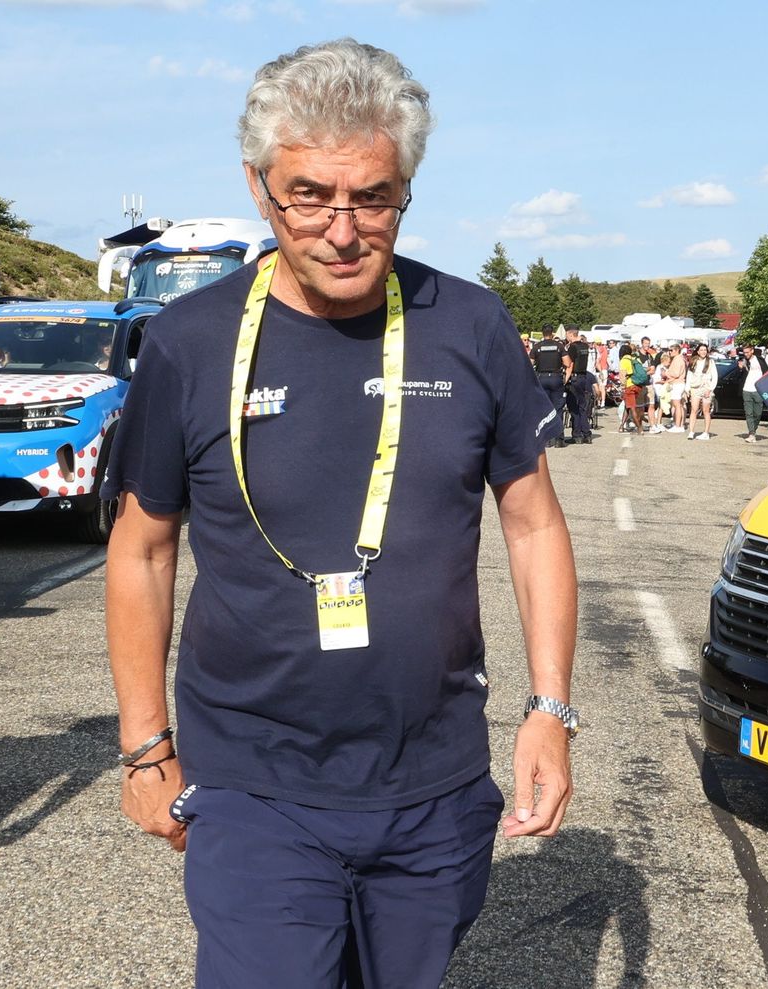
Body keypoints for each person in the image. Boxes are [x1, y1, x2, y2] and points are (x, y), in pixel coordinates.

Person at [101, 38, 577, 989]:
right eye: (309, 195)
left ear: (407, 188)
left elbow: (534, 523)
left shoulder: (470, 323)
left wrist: (550, 707)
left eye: (374, 196)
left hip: (433, 782)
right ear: (258, 185)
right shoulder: (190, 342)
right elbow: (144, 546)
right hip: (253, 783)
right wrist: (145, 744)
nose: (343, 228)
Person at [530, 323, 568, 448]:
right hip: (556, 378)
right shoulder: (559, 346)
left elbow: (530, 364)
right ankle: (558, 439)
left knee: (544, 409)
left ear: (542, 333)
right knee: (558, 408)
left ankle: (546, 439)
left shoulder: (537, 347)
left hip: (541, 378)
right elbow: (567, 363)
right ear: (552, 333)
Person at [563, 325, 594, 444]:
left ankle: (577, 435)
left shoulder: (572, 347)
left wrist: (565, 380)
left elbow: (569, 365)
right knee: (582, 407)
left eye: (567, 334)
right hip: (583, 378)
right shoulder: (585, 346)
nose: (566, 337)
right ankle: (587, 434)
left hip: (574, 379)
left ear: (571, 334)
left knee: (573, 408)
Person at [739, 342, 768, 443]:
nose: (746, 354)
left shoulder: (760, 360)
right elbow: (741, 374)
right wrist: (741, 368)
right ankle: (751, 433)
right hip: (747, 389)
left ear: (752, 351)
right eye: (744, 352)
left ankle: (754, 430)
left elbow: (767, 373)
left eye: (747, 352)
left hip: (758, 390)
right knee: (749, 413)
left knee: (757, 413)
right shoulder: (743, 361)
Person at [686, 342, 718, 440]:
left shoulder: (710, 362)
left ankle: (706, 432)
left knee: (706, 411)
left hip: (706, 387)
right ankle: (691, 432)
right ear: (698, 351)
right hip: (695, 388)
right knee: (694, 410)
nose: (703, 352)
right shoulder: (694, 361)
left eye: (705, 350)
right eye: (701, 350)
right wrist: (687, 388)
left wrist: (710, 389)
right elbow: (689, 375)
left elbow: (715, 376)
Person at [619, 342, 645, 434]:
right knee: (627, 406)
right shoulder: (634, 359)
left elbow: (623, 376)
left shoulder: (623, 361)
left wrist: (622, 387)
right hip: (637, 385)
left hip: (629, 386)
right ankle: (621, 426)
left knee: (632, 407)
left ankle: (639, 428)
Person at [662, 343, 688, 432]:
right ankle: (679, 425)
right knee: (679, 405)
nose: (670, 352)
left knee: (677, 405)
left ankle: (678, 426)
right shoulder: (680, 358)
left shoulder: (677, 359)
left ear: (677, 350)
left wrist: (666, 373)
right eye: (669, 350)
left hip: (677, 384)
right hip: (679, 383)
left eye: (671, 350)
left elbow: (676, 373)